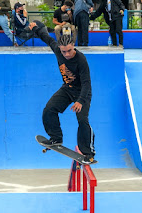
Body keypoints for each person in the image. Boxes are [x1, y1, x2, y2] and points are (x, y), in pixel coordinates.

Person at [28, 20, 96, 164]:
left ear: (74, 47)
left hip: (82, 92)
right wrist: (36, 27)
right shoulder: (57, 49)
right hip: (67, 89)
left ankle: (88, 152)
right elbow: (46, 37)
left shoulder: (81, 60)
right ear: (60, 48)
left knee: (82, 120)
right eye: (64, 51)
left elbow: (86, 83)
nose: (66, 54)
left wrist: (80, 101)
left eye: (69, 51)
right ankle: (56, 138)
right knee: (49, 110)